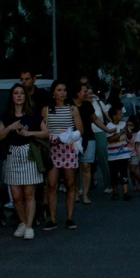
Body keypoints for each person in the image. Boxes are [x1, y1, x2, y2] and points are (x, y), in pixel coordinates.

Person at [0, 83, 46, 239]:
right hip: (13, 154)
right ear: (12, 96)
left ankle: (30, 226)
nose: (19, 96)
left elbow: (46, 132)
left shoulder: (33, 114)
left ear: (26, 96)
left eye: (21, 93)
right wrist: (11, 127)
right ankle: (22, 222)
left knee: (29, 193)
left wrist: (29, 133)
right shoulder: (6, 116)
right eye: (16, 93)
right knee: (16, 195)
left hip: (28, 153)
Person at [42, 80, 83, 229]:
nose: (62, 93)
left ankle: (70, 217)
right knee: (52, 184)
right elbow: (43, 129)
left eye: (64, 90)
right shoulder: (46, 110)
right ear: (53, 92)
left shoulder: (72, 109)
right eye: (59, 90)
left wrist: (65, 138)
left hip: (68, 147)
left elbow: (80, 130)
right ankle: (52, 219)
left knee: (70, 183)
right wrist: (50, 140)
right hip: (52, 147)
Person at [73, 84, 108, 205]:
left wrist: (106, 129)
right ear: (77, 92)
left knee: (86, 166)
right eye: (84, 91)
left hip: (89, 137)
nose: (87, 93)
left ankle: (85, 194)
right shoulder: (69, 105)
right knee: (75, 168)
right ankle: (76, 192)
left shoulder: (88, 105)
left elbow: (96, 119)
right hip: (73, 139)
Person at [104, 104, 133, 201]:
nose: (122, 115)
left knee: (124, 173)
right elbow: (111, 139)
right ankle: (115, 192)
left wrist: (127, 130)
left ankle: (125, 192)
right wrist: (121, 132)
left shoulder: (123, 124)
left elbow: (129, 137)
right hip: (113, 156)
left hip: (124, 153)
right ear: (114, 116)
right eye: (119, 114)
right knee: (114, 174)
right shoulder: (109, 126)